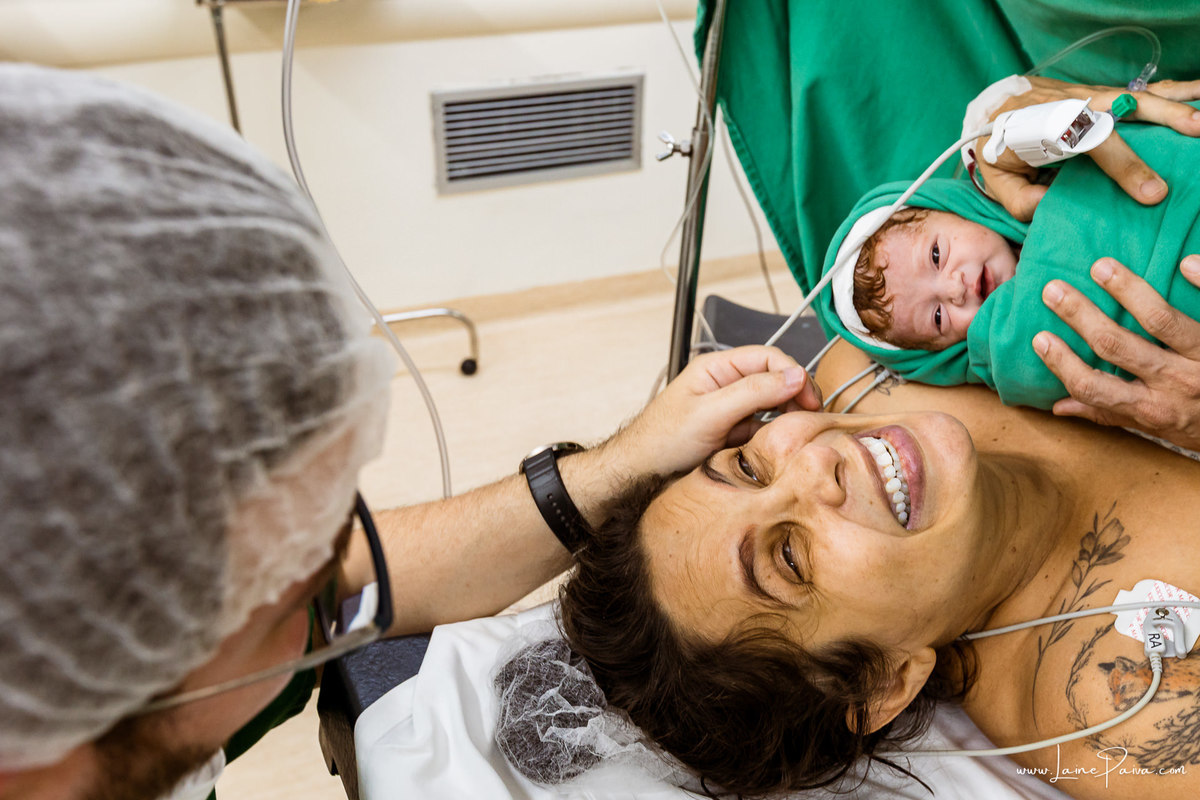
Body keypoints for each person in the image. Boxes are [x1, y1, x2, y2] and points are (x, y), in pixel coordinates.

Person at [0, 64, 823, 800]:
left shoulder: (93, 663)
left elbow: (357, 576)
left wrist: (621, 465)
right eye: (292, 590)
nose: (815, 467)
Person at [551, 324, 1200, 799]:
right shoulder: (1127, 713)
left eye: (748, 467)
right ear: (882, 683)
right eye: (789, 557)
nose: (813, 461)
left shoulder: (874, 364)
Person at [819, 88, 1200, 410]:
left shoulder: (1021, 157)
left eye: (936, 256)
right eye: (937, 317)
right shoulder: (1006, 347)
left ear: (955, 209)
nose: (954, 289)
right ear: (943, 353)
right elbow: (1027, 365)